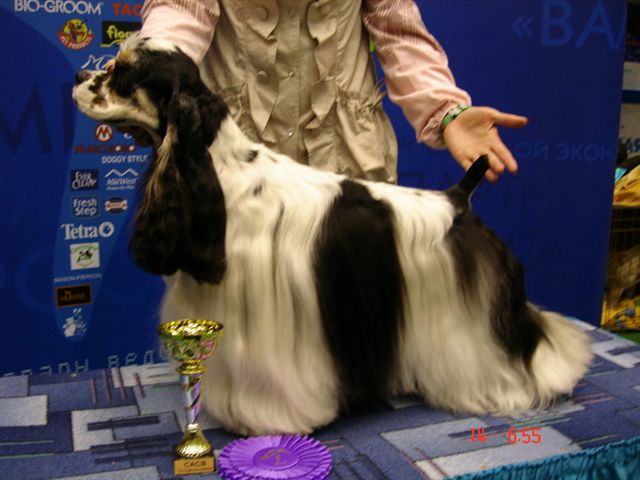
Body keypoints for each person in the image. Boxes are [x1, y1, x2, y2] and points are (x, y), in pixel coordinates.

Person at [132, 0, 528, 183]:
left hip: (347, 159)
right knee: (235, 311)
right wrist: (152, 75)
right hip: (237, 160)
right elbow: (180, 11)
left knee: (353, 310)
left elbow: (400, 32)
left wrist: (446, 110)